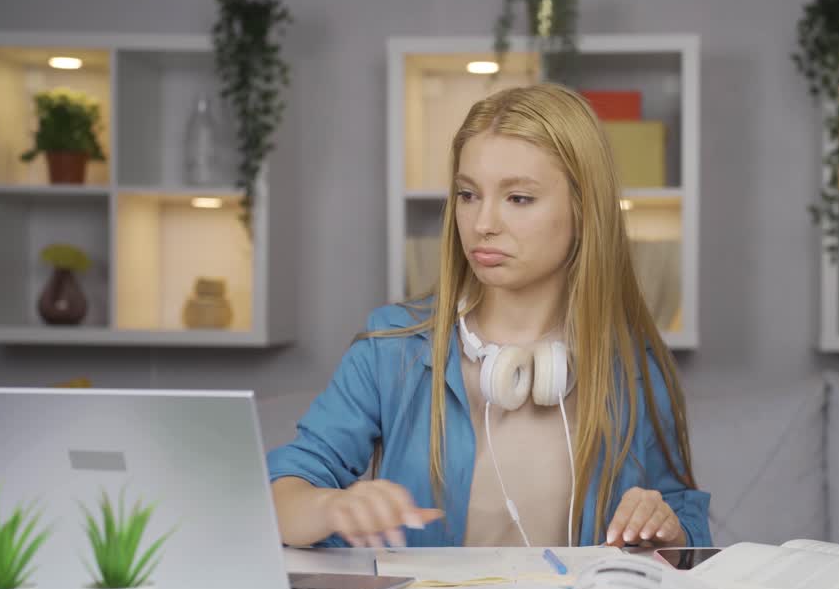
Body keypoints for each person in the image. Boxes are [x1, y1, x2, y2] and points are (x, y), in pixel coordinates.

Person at [268, 83, 709, 549]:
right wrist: (328, 507)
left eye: (518, 198)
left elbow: (688, 531)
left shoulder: (631, 364)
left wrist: (666, 526)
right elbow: (282, 495)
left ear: (584, 210)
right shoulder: (392, 344)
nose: (482, 224)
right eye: (468, 194)